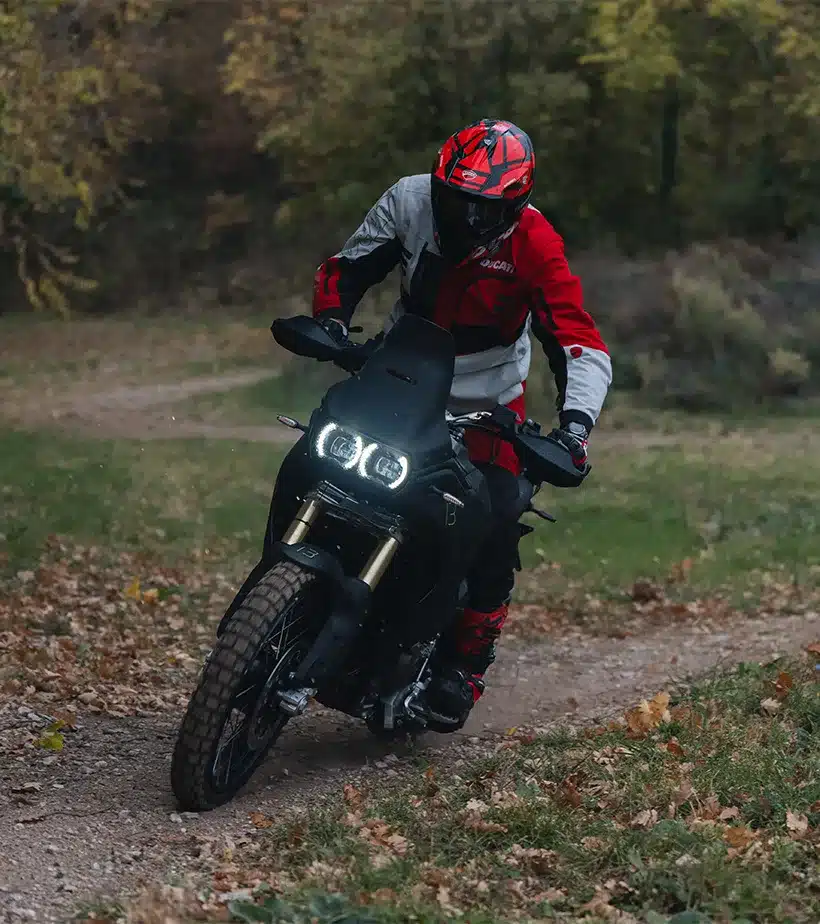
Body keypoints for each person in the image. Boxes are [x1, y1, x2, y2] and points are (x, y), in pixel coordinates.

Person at [312, 118, 612, 730]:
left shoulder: (535, 243)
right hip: (399, 375)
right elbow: (351, 265)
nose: (467, 218)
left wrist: (574, 429)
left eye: (485, 208)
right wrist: (332, 324)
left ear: (516, 204)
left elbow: (581, 342)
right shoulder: (409, 197)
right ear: (438, 182)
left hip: (488, 403)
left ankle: (462, 665)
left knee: (497, 515)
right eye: (456, 199)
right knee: (323, 446)